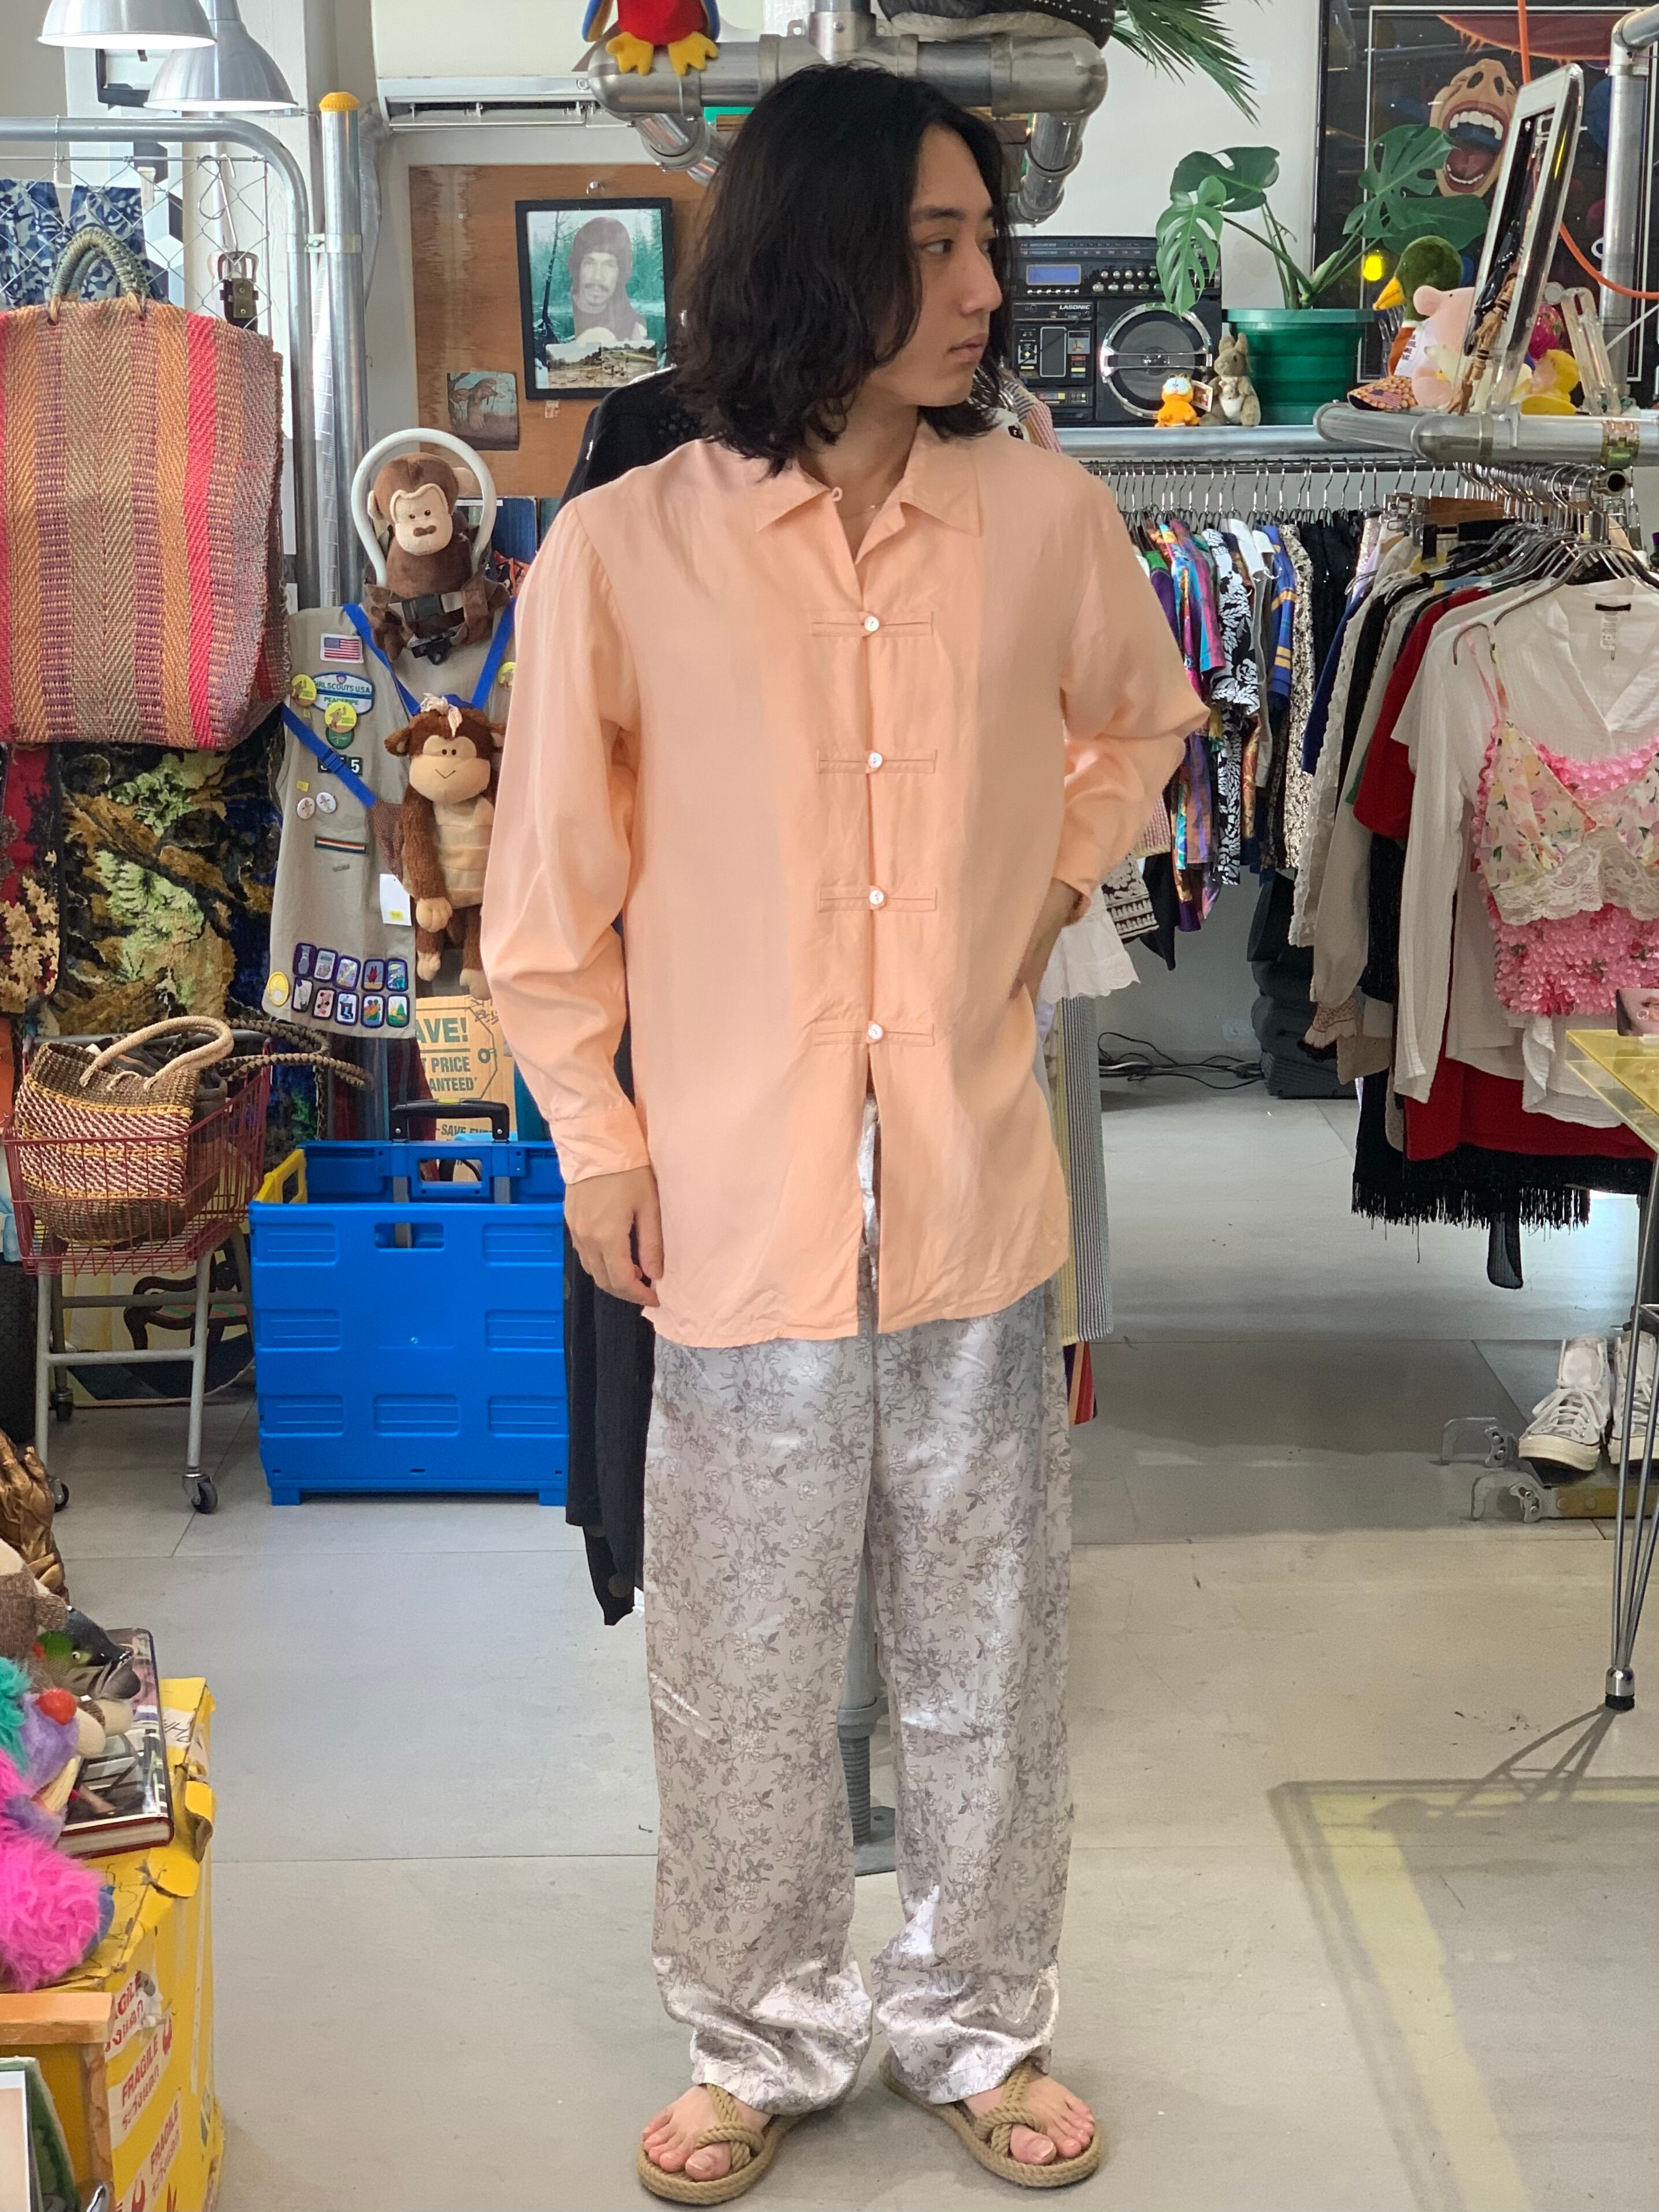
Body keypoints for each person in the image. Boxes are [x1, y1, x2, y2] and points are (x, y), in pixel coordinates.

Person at [483, 66, 1201, 2201]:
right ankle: (758, 2027)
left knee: (988, 1641)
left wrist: (1041, 881)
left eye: (982, 243)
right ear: (814, 257)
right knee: (740, 1651)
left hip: (970, 1184)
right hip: (735, 1196)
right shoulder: (623, 550)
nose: (982, 289)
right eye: (930, 246)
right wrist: (597, 1138)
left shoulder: (1045, 521)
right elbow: (544, 892)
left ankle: (975, 2017)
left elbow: (1141, 721)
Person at [564, 212, 650, 346]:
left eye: (609, 265)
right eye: (589, 263)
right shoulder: (555, 324)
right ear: (578, 267)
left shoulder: (635, 328)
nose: (598, 276)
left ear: (620, 273)